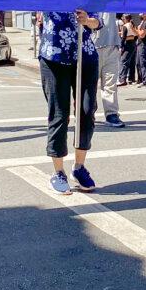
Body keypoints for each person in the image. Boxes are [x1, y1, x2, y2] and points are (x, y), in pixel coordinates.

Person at [39, 10, 101, 194]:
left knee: (87, 111)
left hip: (85, 55)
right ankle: (58, 172)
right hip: (54, 55)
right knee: (59, 113)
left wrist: (88, 21)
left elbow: (98, 21)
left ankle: (79, 167)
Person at [94, 11, 125, 128]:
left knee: (110, 84)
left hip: (111, 45)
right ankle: (87, 111)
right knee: (89, 84)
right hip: (92, 45)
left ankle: (111, 114)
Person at [118, 14, 138, 86]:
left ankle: (122, 79)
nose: (122, 18)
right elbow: (136, 35)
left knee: (123, 61)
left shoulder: (125, 26)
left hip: (127, 44)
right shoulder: (132, 25)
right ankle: (131, 78)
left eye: (123, 17)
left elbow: (123, 38)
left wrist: (121, 47)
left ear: (125, 18)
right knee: (132, 62)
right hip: (133, 44)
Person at [135, 14, 146, 87]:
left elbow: (142, 35)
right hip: (140, 44)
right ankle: (141, 79)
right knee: (138, 63)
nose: (139, 14)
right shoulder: (143, 22)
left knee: (143, 62)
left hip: (144, 44)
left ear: (145, 14)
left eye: (141, 12)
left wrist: (136, 30)